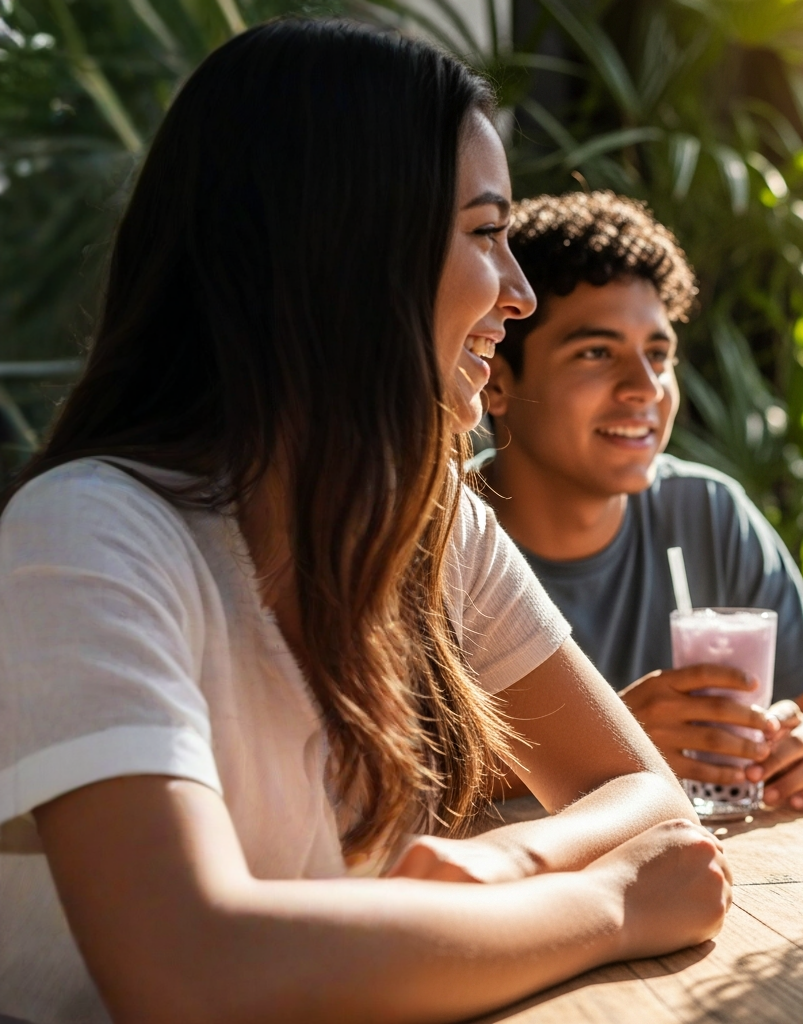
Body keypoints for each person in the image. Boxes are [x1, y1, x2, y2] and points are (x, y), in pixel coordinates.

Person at [0, 21, 729, 1024]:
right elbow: (188, 971)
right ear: (343, 253)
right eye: (484, 235)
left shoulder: (428, 518)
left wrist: (505, 861)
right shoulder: (88, 538)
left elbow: (641, 794)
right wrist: (606, 904)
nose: (518, 293)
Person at [478, 191, 803, 812]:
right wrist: (613, 745)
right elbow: (382, 774)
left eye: (658, 356)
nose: (646, 388)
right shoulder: (434, 537)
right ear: (496, 381)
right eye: (596, 353)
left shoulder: (706, 513)